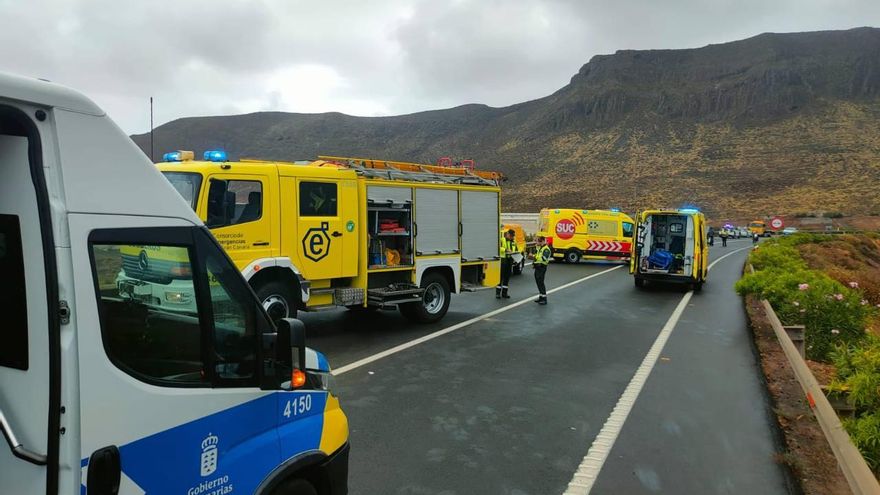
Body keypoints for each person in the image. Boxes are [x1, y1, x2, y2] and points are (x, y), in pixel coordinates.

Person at [497, 229, 519, 299]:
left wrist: (515, 254)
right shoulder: (502, 240)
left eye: (513, 236)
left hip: (510, 260)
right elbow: (498, 247)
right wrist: (505, 250)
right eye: (511, 236)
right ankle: (498, 293)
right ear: (508, 234)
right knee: (500, 277)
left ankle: (504, 293)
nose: (512, 237)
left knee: (507, 277)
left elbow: (516, 250)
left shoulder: (513, 242)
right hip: (503, 260)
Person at [531, 236, 552, 305]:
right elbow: (537, 257)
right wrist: (534, 261)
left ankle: (544, 299)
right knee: (538, 282)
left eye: (538, 241)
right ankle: (541, 297)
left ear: (542, 241)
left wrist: (534, 257)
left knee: (541, 282)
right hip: (537, 267)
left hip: (542, 267)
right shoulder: (540, 248)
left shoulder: (546, 249)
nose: (537, 242)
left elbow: (543, 258)